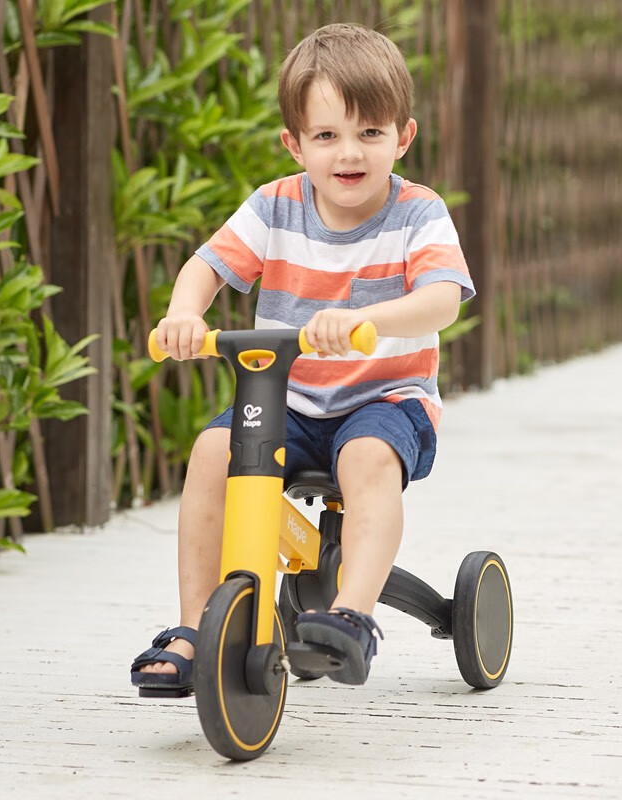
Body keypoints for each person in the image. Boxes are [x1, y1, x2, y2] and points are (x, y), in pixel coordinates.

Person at [131, 22, 474, 692]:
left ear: (403, 137)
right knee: (211, 452)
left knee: (365, 458)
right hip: (286, 401)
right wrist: (183, 313)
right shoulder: (274, 206)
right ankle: (195, 627)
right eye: (327, 136)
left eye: (369, 133)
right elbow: (208, 265)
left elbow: (442, 300)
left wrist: (364, 322)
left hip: (387, 401)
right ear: (295, 144)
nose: (349, 152)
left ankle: (351, 617)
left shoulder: (418, 214)